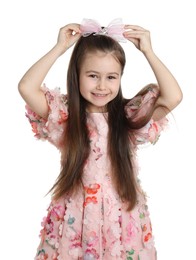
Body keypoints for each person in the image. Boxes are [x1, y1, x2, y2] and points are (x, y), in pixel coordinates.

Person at [18, 18, 182, 260]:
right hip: (75, 219)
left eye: (111, 77)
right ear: (77, 74)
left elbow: (173, 96)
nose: (102, 86)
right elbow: (26, 87)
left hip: (121, 219)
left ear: (120, 77)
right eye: (93, 75)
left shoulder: (128, 117)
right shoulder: (66, 117)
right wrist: (60, 48)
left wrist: (148, 51)